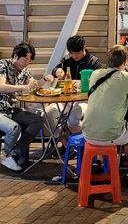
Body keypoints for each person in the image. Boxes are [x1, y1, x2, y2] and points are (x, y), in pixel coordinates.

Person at [82, 45, 128, 197]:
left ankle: (98, 162)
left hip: (88, 133)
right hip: (110, 135)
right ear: (124, 62)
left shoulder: (95, 74)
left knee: (113, 124)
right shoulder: (127, 77)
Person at [0, 42, 46, 171]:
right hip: (0, 110)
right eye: (25, 59)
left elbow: (33, 83)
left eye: (29, 60)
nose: (27, 62)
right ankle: (9, 156)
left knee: (36, 120)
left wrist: (44, 80)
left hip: (11, 110)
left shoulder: (24, 70)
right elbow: (1, 87)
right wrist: (25, 87)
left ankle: (13, 155)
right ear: (15, 56)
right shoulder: (3, 65)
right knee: (14, 128)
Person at [49, 35, 101, 134]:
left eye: (77, 53)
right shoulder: (67, 60)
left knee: (72, 119)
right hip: (66, 99)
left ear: (84, 47)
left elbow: (99, 81)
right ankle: (64, 140)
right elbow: (55, 70)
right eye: (71, 53)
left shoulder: (94, 62)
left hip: (86, 100)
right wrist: (57, 71)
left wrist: (83, 82)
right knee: (47, 113)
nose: (75, 56)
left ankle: (81, 145)